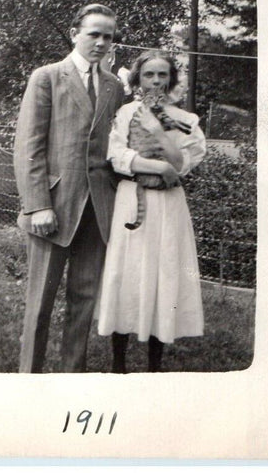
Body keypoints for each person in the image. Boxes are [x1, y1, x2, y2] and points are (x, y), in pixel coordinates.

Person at [14, 4, 124, 373]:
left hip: (99, 209)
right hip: (55, 207)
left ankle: (71, 379)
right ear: (75, 32)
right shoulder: (47, 77)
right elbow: (29, 146)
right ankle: (28, 379)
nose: (101, 42)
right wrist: (37, 206)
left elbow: (113, 145)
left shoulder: (114, 86)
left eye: (108, 36)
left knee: (85, 300)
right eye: (94, 34)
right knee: (40, 302)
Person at [97, 50, 206, 373]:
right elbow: (116, 155)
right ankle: (118, 364)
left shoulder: (185, 120)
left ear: (171, 79)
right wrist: (156, 164)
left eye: (162, 75)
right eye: (149, 75)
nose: (156, 81)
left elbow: (182, 165)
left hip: (167, 205)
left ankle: (154, 366)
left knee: (164, 271)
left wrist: (158, 133)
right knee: (126, 272)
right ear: (137, 79)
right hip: (132, 200)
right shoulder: (126, 112)